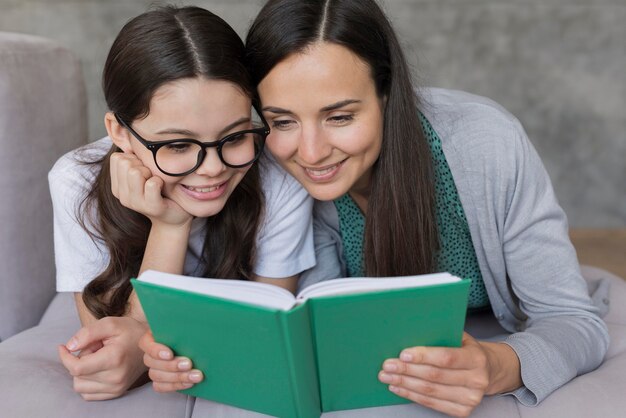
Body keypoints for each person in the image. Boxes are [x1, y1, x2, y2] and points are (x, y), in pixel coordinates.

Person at [141, 0, 610, 416]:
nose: (310, 152)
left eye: (340, 116)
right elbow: (305, 326)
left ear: (388, 96)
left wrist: (495, 365)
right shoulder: (274, 166)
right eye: (283, 120)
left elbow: (575, 321)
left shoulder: (486, 144)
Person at [49, 5, 314, 401]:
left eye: (236, 136)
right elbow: (108, 344)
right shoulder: (76, 181)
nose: (211, 169)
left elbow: (268, 329)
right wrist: (170, 227)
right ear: (119, 131)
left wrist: (143, 339)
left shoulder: (279, 177)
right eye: (177, 145)